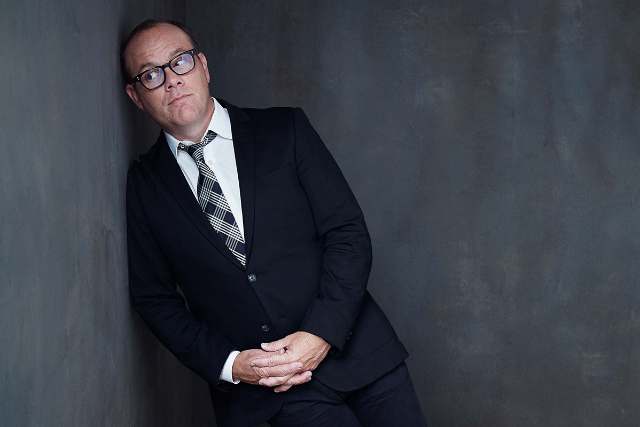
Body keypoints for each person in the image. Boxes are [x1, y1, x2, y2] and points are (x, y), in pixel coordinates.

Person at [123, 18, 427, 427]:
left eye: (180, 61)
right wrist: (231, 365)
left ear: (203, 66)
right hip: (271, 390)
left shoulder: (285, 129)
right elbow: (154, 298)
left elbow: (347, 234)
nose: (171, 80)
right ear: (136, 96)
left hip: (361, 353)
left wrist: (320, 335)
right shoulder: (145, 186)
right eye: (151, 74)